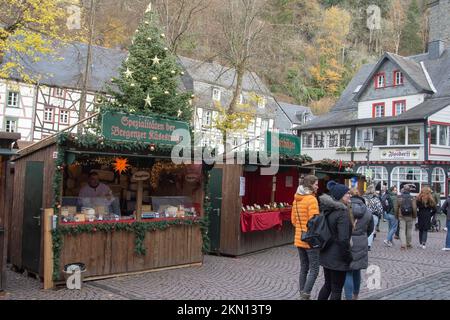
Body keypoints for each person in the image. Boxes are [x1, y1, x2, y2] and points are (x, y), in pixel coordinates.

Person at [317, 181, 352, 301]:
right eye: (347, 193)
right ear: (340, 196)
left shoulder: (328, 209)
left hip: (326, 253)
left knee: (328, 285)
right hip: (337, 257)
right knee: (336, 288)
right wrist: (348, 257)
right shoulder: (342, 213)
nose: (350, 195)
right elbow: (343, 239)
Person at [291, 175, 320, 300]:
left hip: (299, 238)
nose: (318, 186)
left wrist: (301, 227)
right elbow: (315, 222)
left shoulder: (296, 199)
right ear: (310, 185)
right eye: (316, 184)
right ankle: (305, 295)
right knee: (314, 268)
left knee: (304, 267)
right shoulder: (311, 199)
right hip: (310, 240)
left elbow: (293, 220)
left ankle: (302, 292)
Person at [344, 189, 374, 300]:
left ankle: (348, 298)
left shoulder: (345, 209)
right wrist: (363, 236)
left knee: (348, 272)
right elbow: (371, 229)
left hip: (348, 242)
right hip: (361, 242)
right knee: (357, 270)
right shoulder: (367, 211)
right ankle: (355, 296)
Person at [395, 184, 417, 250]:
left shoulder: (399, 197)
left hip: (401, 216)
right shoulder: (412, 197)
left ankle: (403, 245)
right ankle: (408, 244)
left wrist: (396, 215)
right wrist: (414, 216)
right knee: (409, 230)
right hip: (410, 216)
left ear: (403, 189)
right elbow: (414, 208)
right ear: (409, 190)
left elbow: (396, 207)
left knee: (402, 230)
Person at [364, 185, 383, 251]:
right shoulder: (376, 198)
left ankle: (363, 243)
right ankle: (368, 245)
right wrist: (379, 215)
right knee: (371, 230)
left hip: (365, 215)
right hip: (374, 216)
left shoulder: (364, 198)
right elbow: (380, 208)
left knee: (364, 230)